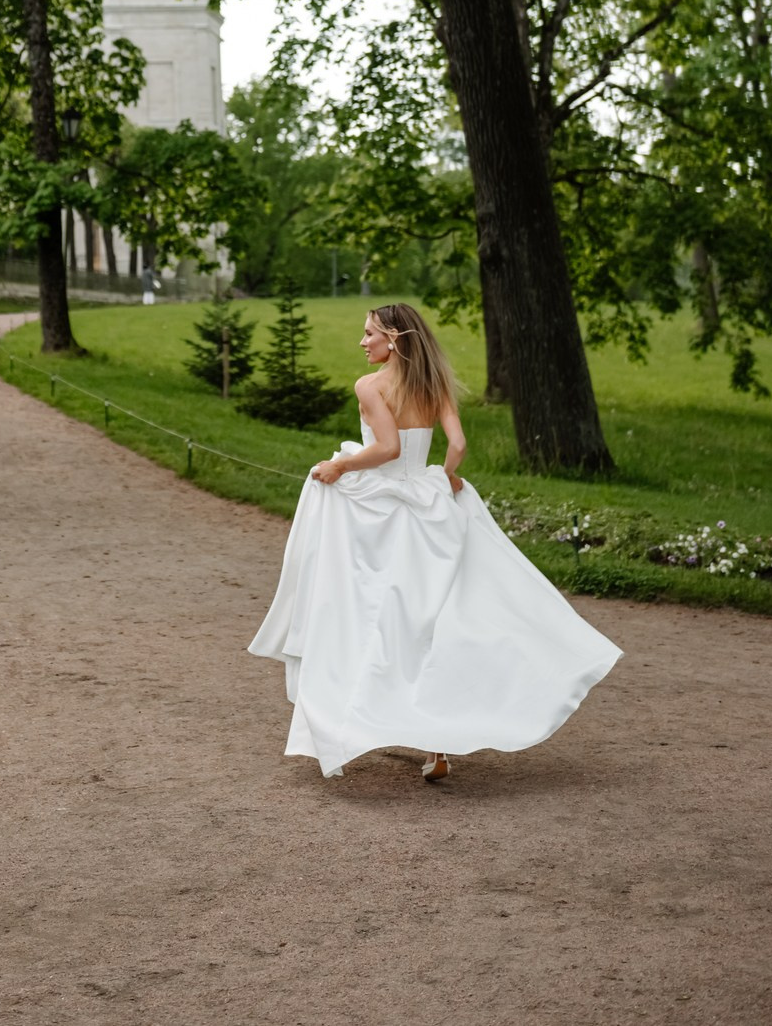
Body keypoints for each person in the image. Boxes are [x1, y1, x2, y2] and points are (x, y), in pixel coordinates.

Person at [248, 303, 622, 782]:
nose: (362, 343)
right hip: (428, 504)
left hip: (382, 510)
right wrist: (443, 480)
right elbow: (459, 446)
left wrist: (338, 467)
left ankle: (354, 717)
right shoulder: (433, 384)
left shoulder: (371, 386)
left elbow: (387, 449)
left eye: (369, 334)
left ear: (395, 339)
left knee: (363, 614)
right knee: (430, 620)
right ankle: (435, 743)